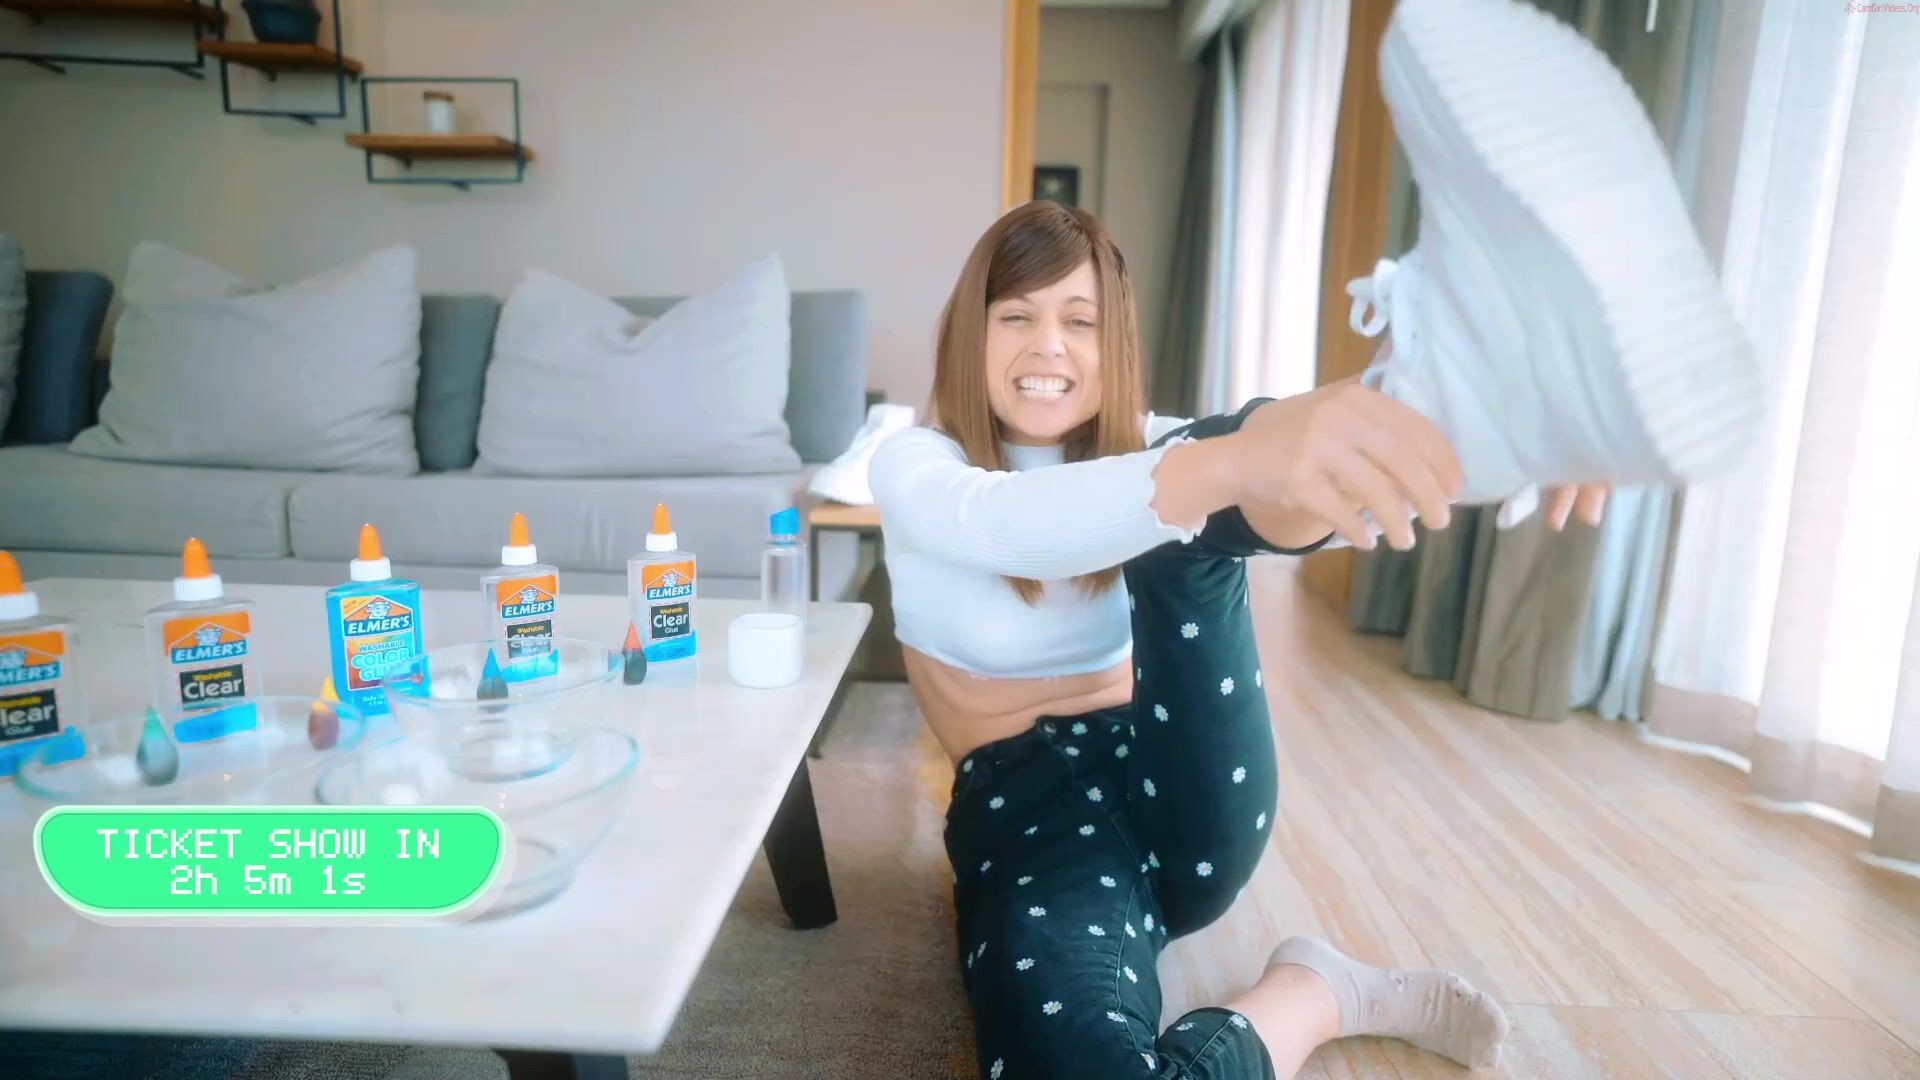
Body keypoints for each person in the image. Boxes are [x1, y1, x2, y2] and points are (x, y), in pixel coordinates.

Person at [869, 3, 1760, 1075]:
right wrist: (1237, 460)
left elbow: (1276, 475)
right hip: (1032, 820)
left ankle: (1455, 398)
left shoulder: (1158, 448)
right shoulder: (918, 464)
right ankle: (1317, 993)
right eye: (1016, 316)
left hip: (1184, 792)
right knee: (1202, 471)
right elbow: (1007, 526)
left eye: (1080, 319)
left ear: (1116, 343)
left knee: (1200, 487)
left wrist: (1453, 445)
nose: (1047, 345)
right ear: (971, 333)